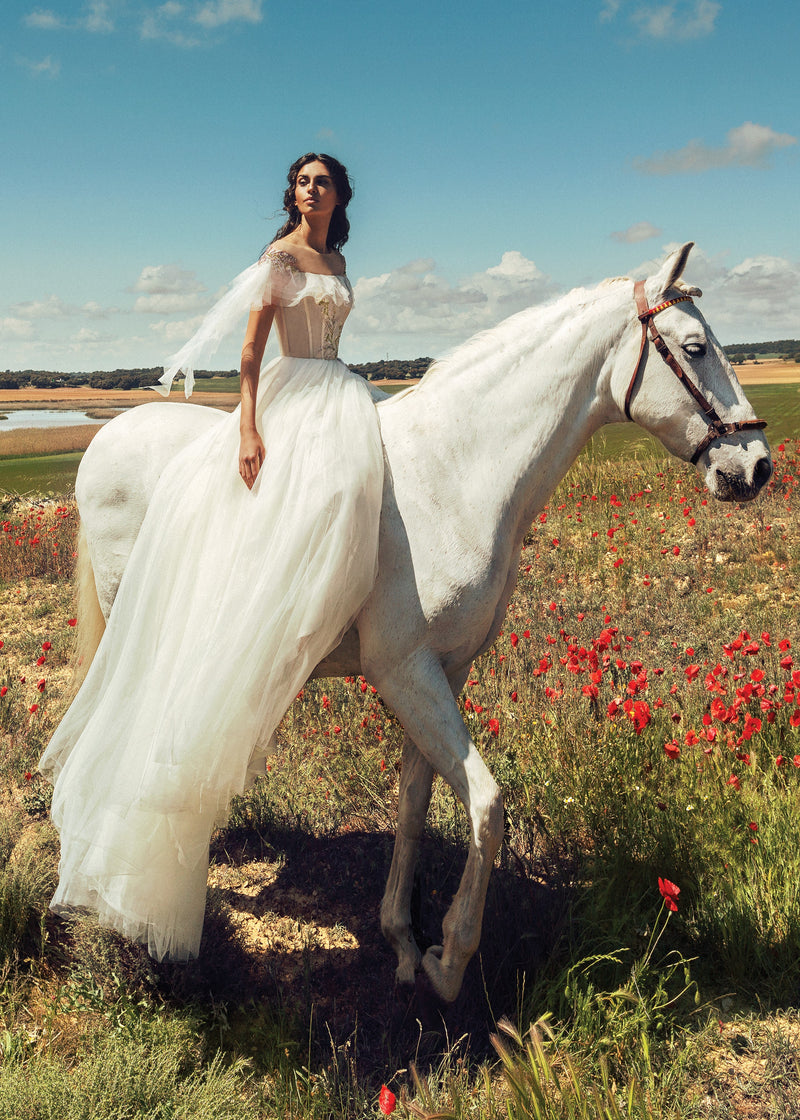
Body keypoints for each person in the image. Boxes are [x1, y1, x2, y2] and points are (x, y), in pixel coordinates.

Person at [39, 153, 384, 961]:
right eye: (301, 181)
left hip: (341, 391)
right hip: (294, 396)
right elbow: (251, 352)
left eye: (322, 181)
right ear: (292, 195)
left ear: (341, 196)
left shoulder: (336, 260)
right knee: (294, 511)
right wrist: (250, 426)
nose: (310, 191)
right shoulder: (281, 259)